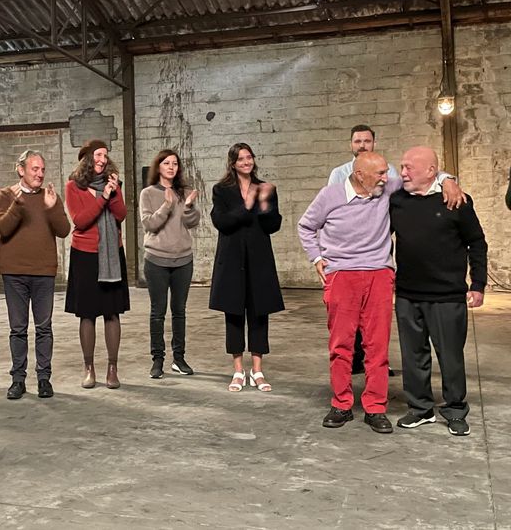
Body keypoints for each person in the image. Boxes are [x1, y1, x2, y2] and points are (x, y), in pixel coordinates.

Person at [298, 152, 464, 433]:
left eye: (387, 173)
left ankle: (375, 407)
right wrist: (316, 258)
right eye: (381, 174)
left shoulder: (386, 188)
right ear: (359, 174)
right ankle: (341, 404)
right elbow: (306, 226)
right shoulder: (331, 195)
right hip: (342, 275)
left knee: (377, 345)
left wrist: (448, 180)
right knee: (341, 344)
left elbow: (423, 177)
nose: (388, 179)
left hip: (379, 274)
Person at [391, 146, 487, 436]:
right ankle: (420, 409)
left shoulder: (456, 200)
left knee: (450, 357)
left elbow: (477, 242)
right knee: (413, 356)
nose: (403, 172)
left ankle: (455, 409)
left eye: (409, 167)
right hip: (407, 294)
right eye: (402, 167)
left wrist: (478, 284)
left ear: (431, 171)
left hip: (447, 296)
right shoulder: (397, 200)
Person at [0, 150, 70, 400]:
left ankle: (44, 378)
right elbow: (3, 229)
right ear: (21, 169)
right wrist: (17, 205)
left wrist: (51, 208)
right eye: (34, 169)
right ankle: (18, 379)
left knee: (44, 327)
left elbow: (63, 230)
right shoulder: (6, 195)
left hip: (43, 272)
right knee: (18, 328)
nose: (39, 173)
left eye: (42, 169)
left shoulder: (49, 197)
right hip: (14, 272)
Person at [209, 143, 284, 393]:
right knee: (234, 314)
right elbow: (222, 222)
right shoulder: (221, 190)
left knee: (259, 314)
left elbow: (274, 225)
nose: (246, 162)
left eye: (249, 157)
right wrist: (247, 205)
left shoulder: (265, 188)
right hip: (231, 260)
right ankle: (238, 370)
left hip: (259, 259)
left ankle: (258, 370)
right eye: (241, 159)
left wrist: (263, 204)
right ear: (232, 163)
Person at [328, 124, 398, 376]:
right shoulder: (338, 174)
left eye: (366, 141)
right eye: (357, 141)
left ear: (374, 143)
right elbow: (329, 210)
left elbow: (410, 184)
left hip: (376, 252)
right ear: (351, 144)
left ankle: (376, 362)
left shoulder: (385, 172)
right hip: (347, 256)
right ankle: (355, 360)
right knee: (348, 318)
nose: (362, 145)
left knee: (376, 319)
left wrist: (446, 179)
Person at [65, 140, 129, 389]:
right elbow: (81, 221)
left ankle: (112, 368)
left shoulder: (114, 184)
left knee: (112, 312)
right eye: (98, 155)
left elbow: (121, 215)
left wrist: (112, 193)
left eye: (105, 155)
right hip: (86, 255)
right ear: (87, 159)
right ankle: (89, 367)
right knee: (88, 313)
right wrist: (102, 197)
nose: (102, 159)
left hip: (112, 254)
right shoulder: (74, 186)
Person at [139, 149, 200, 379]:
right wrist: (166, 205)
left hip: (183, 260)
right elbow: (149, 224)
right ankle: (157, 360)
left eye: (175, 163)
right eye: (166, 163)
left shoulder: (185, 192)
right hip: (156, 260)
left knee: (179, 311)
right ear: (159, 167)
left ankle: (179, 358)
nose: (171, 167)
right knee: (157, 312)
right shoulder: (148, 193)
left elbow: (192, 222)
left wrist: (189, 206)